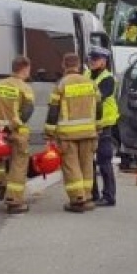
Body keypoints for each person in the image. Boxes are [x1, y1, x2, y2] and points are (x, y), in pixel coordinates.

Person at [46, 52, 100, 213]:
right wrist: (98, 127)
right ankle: (88, 197)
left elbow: (53, 111)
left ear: (64, 65)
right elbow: (100, 107)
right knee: (87, 165)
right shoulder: (91, 83)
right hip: (89, 132)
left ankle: (77, 199)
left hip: (67, 134)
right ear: (78, 65)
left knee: (71, 166)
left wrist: (49, 131)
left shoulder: (61, 84)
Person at [0, 56, 37, 215]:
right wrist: (11, 126)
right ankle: (14, 201)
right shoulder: (25, 88)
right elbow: (27, 111)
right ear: (25, 68)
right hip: (17, 131)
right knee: (18, 164)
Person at [87, 47, 119, 207]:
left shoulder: (108, 79)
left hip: (104, 127)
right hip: (88, 126)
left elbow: (99, 97)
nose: (92, 61)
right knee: (88, 161)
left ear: (104, 61)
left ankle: (109, 196)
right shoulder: (86, 75)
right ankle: (92, 194)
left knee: (104, 161)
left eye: (96, 58)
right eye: (91, 58)